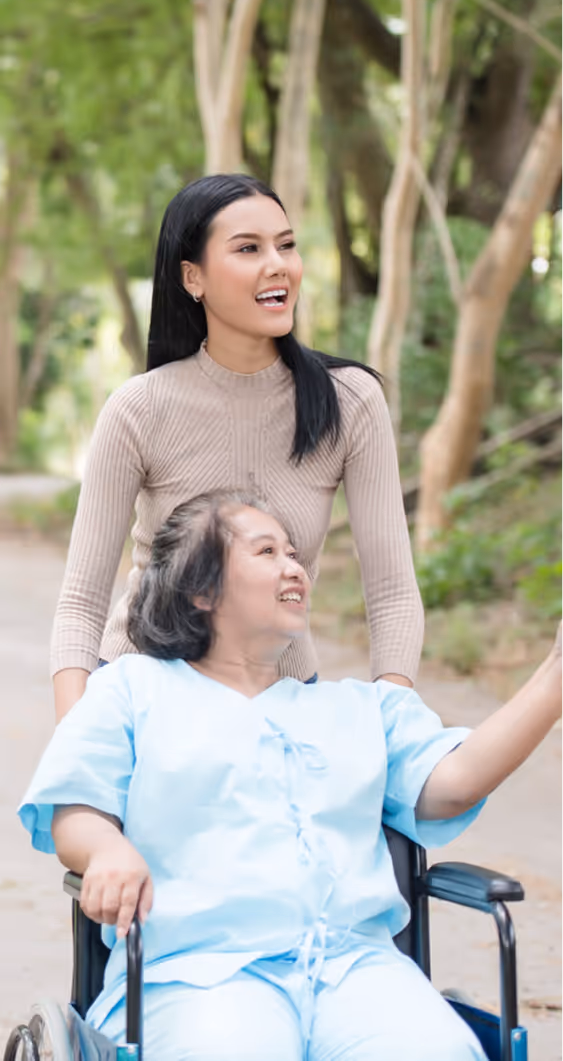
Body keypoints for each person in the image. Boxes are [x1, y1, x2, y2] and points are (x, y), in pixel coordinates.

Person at [21, 492, 563, 1061]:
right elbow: (76, 809)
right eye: (267, 551)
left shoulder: (364, 709)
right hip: (195, 973)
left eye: (295, 553)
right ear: (202, 590)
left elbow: (457, 781)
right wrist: (106, 849)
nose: (295, 567)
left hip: (357, 970)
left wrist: (554, 675)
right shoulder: (131, 690)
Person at [51, 172, 424, 721]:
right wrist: (76, 748)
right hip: (144, 703)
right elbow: (82, 601)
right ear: (192, 277)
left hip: (284, 702)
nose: (278, 264)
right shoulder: (139, 408)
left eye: (287, 245)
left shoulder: (350, 401)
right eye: (248, 248)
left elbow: (391, 592)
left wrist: (396, 730)